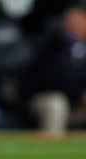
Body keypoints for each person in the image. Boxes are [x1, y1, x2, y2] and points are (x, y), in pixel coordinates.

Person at [24, 6, 86, 135]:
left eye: (80, 24)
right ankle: (50, 146)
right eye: (71, 24)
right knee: (57, 103)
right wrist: (79, 93)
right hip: (45, 98)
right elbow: (51, 80)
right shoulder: (51, 47)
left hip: (78, 103)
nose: (75, 28)